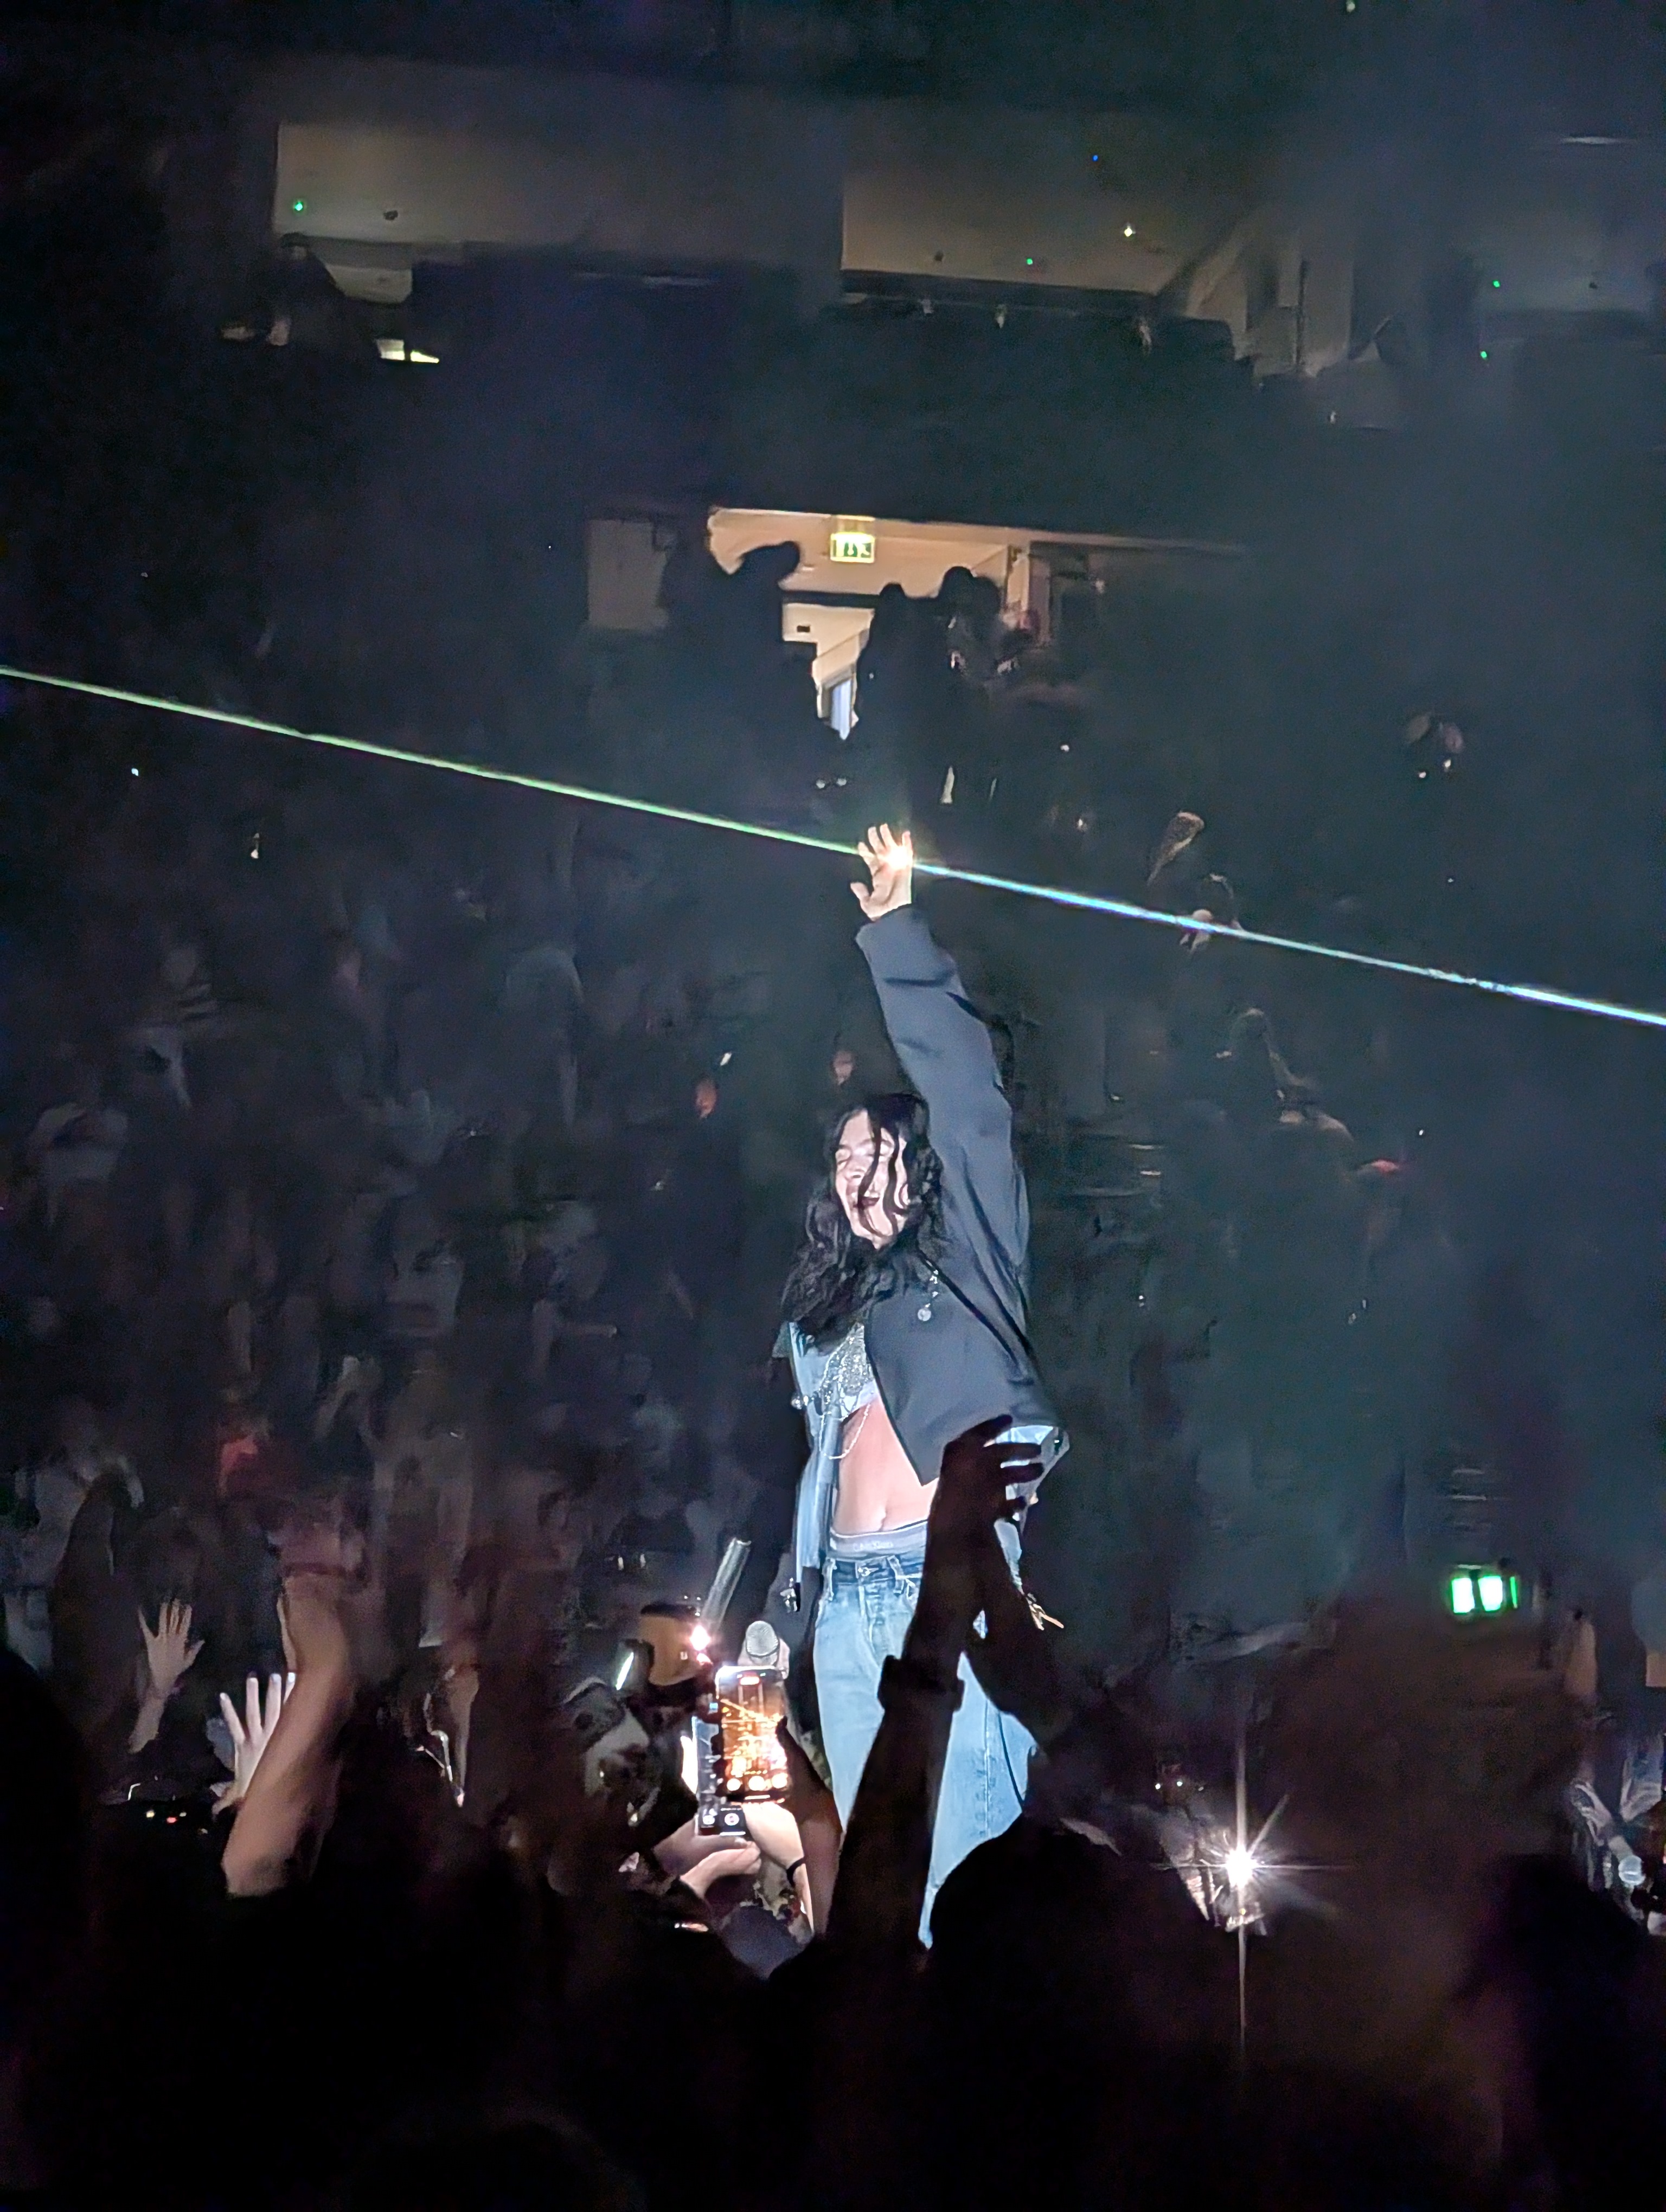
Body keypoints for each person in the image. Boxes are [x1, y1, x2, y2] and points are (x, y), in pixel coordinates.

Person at [777, 822, 1063, 1915]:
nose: (854, 1174)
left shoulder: (973, 1261)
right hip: (847, 1602)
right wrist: (785, 1610)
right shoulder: (829, 1321)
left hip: (940, 1587)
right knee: (879, 1892)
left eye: (874, 1148)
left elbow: (971, 1098)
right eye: (838, 1160)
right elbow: (819, 1479)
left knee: (964, 1884)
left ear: (917, 1150)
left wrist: (893, 930)